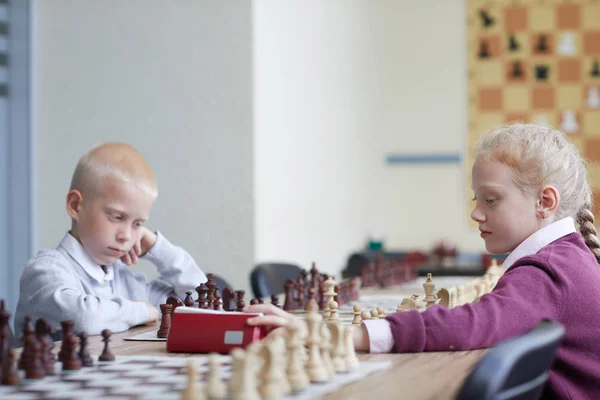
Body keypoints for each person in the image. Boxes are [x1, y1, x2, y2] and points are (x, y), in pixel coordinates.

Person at [245, 123, 600, 399]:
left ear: (545, 202)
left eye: (491, 200)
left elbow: (472, 324)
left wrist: (335, 334)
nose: (476, 214)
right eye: (476, 200)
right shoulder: (566, 258)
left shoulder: (549, 270)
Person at [15, 143, 207, 335]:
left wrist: (158, 248)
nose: (126, 236)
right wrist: (142, 310)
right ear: (75, 206)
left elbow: (203, 306)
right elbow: (84, 319)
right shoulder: (46, 270)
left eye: (138, 224)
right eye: (117, 217)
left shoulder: (125, 280)